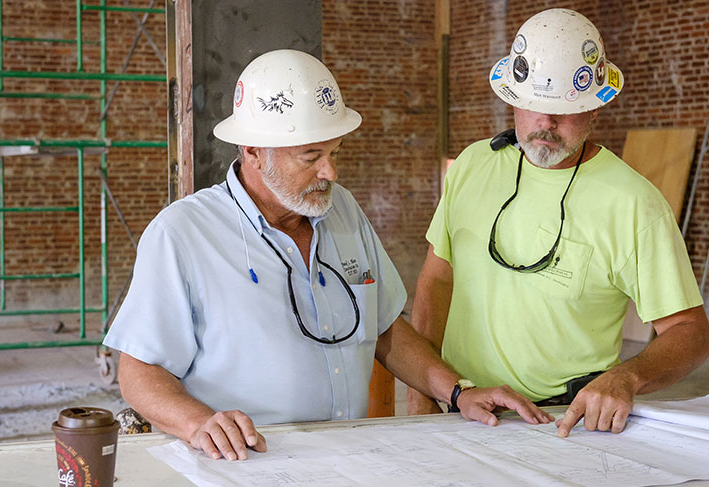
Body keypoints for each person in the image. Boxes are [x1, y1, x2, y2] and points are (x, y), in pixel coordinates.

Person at [104, 49, 553, 461]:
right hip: (241, 465)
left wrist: (458, 392)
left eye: (334, 152)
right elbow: (139, 370)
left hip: (345, 459)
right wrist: (199, 423)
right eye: (311, 156)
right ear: (254, 150)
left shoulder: (343, 212)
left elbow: (384, 329)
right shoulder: (183, 234)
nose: (330, 172)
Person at [407, 9, 709, 438]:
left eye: (564, 111)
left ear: (595, 108)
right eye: (533, 106)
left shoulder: (633, 203)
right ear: (513, 99)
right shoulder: (473, 166)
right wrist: (424, 391)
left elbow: (690, 331)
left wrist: (628, 377)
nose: (545, 125)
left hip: (564, 424)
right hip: (462, 408)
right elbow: (437, 280)